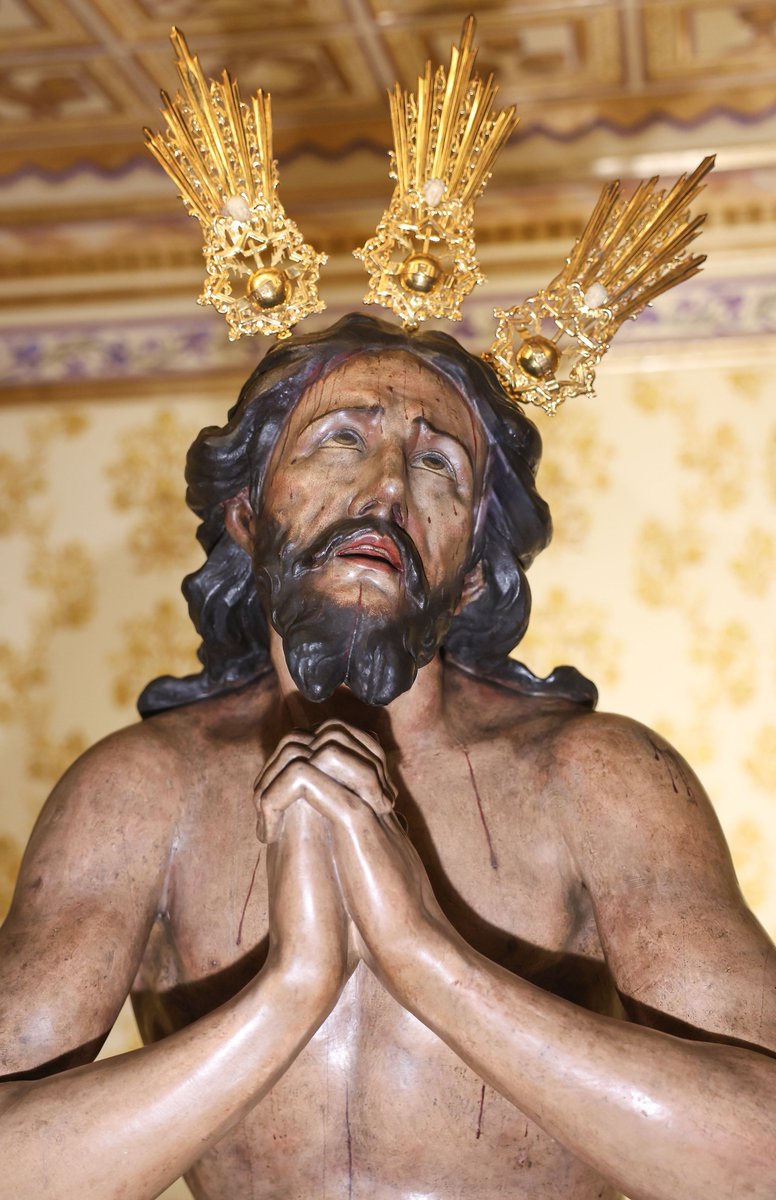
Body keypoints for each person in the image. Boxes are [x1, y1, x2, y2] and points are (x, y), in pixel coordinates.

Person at [0, 313, 773, 1200]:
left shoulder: (596, 783)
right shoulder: (140, 797)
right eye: (339, 441)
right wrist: (287, 994)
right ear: (246, 516)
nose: (389, 489)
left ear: (475, 569)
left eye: (439, 462)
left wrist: (426, 959)